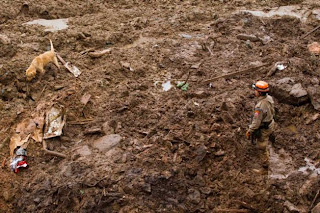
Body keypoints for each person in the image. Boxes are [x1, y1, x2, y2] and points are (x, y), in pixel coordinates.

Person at [246, 80, 275, 173]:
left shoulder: (260, 107)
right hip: (271, 123)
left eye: (255, 90)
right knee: (268, 136)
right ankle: (271, 140)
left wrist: (249, 131)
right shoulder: (269, 98)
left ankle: (265, 168)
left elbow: (256, 123)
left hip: (264, 128)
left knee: (261, 147)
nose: (254, 92)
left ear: (259, 92)